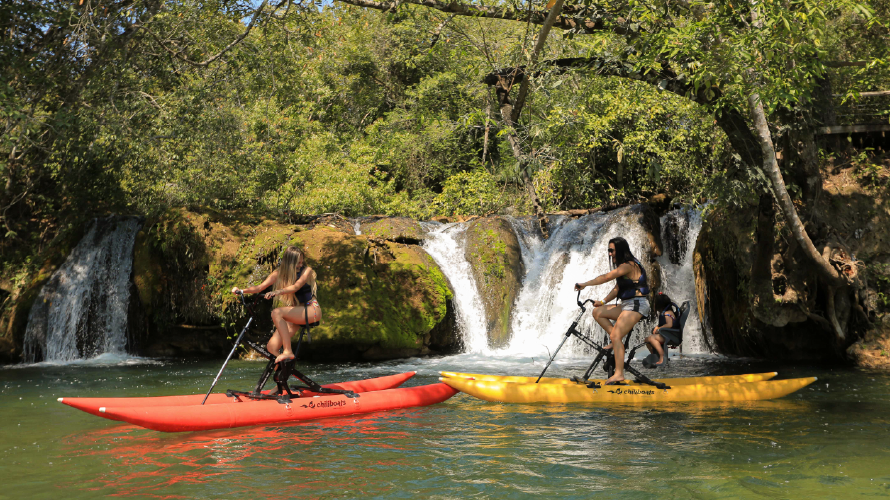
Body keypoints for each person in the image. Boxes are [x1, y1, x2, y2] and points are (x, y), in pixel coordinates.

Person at [574, 237, 649, 384]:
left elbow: (606, 277)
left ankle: (619, 373)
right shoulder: (624, 267)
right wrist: (602, 302)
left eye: (612, 250)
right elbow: (617, 288)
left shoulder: (629, 265)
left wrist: (585, 284)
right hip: (627, 304)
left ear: (620, 250)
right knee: (598, 312)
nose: (609, 253)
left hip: (637, 304)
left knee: (615, 335)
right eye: (608, 250)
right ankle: (616, 340)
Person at [232, 246, 320, 364]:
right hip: (295, 313)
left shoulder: (306, 270)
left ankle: (288, 351)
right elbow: (259, 287)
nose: (300, 265)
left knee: (277, 312)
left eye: (301, 262)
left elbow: (296, 287)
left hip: (311, 310)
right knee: (271, 347)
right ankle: (283, 371)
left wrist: (277, 292)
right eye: (297, 263)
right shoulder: (279, 273)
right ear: (289, 262)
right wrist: (241, 291)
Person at [644, 293, 678, 367]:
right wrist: (657, 327)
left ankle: (662, 356)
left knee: (652, 338)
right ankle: (655, 355)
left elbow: (669, 325)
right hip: (666, 334)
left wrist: (659, 328)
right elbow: (664, 323)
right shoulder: (665, 312)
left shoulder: (668, 313)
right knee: (647, 339)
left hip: (670, 336)